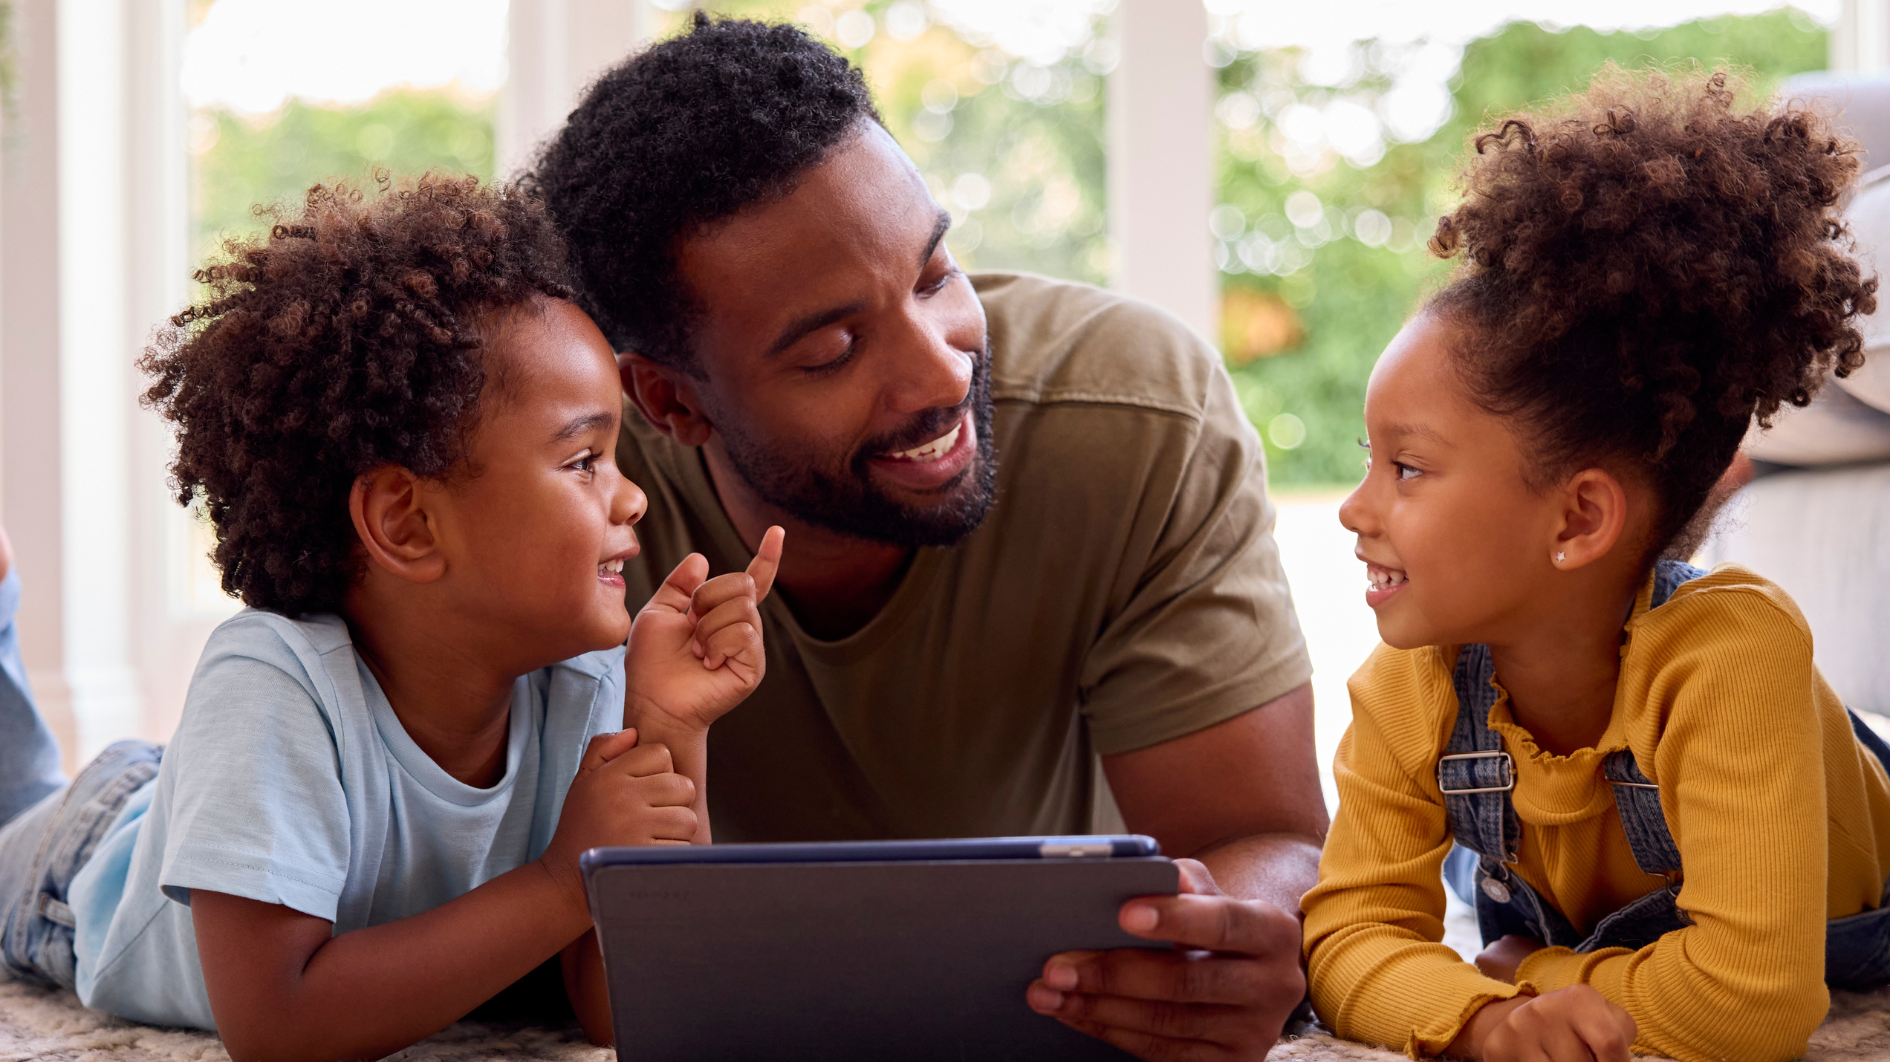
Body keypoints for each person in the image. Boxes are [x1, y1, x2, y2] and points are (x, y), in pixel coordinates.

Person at [527, 13, 1324, 1056]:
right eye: (834, 349)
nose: (942, 371)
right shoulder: (573, 498)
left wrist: (1232, 943)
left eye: (935, 274)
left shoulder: (1139, 422)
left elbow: (1262, 841)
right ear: (670, 402)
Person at [0, 174, 784, 1060]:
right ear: (407, 523)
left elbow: (636, 1009)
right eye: (582, 461)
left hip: (216, 792)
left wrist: (669, 730)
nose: (633, 498)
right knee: (10, 811)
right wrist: (564, 881)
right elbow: (279, 1025)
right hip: (83, 867)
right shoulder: (269, 682)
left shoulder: (590, 681)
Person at [1301, 66, 1890, 1062]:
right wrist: (1485, 1023)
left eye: (1406, 468)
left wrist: (1538, 976)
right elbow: (1346, 940)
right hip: (1590, 894)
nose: (1358, 509)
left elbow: (1753, 998)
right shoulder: (1414, 680)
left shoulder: (1732, 654)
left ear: (1578, 519)